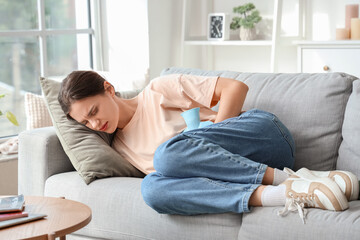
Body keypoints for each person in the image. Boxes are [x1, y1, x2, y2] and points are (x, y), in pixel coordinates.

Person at [58, 71, 358, 223]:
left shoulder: (157, 91)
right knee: (151, 189)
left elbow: (235, 88)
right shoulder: (121, 149)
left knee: (166, 155)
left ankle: (290, 180)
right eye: (86, 123)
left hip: (261, 136)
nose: (95, 125)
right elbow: (182, 180)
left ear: (109, 89)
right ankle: (288, 192)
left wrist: (212, 132)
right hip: (235, 176)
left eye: (94, 111)